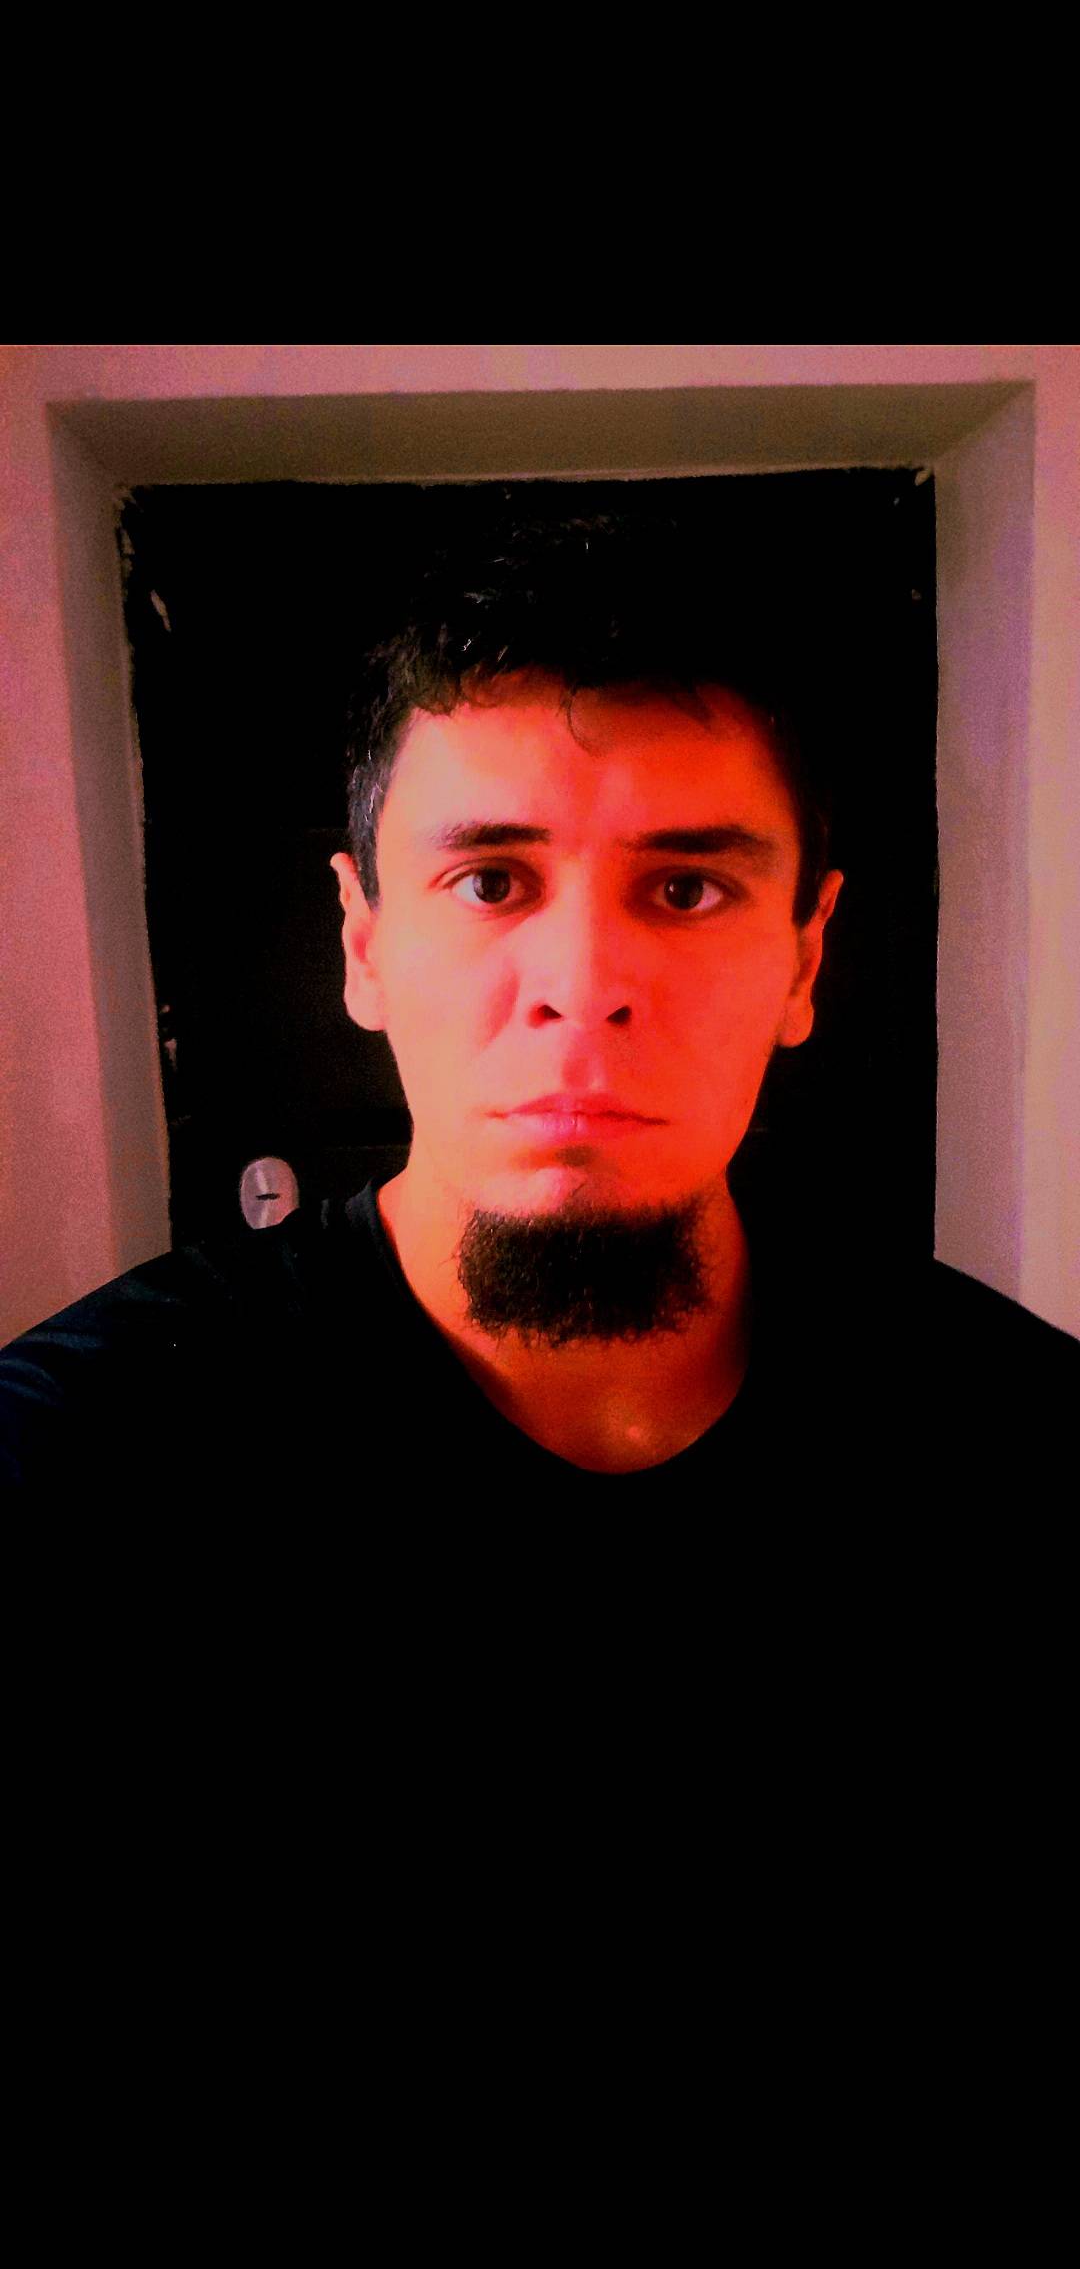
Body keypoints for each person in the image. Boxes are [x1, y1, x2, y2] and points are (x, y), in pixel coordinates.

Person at [3, 507, 1077, 1556]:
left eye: (687, 889)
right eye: (489, 881)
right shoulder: (78, 1447)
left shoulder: (1026, 1435)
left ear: (805, 961)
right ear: (364, 947)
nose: (582, 986)